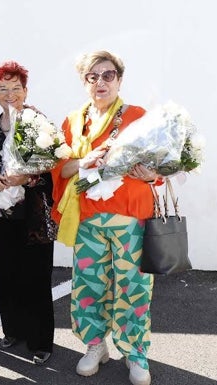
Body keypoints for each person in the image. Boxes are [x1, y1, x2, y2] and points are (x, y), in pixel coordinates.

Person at [51, 50, 159, 385]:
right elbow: (61, 169)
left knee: (133, 287)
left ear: (119, 79)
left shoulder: (138, 116)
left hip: (131, 217)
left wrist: (149, 173)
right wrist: (84, 161)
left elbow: (159, 168)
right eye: (92, 76)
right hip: (89, 220)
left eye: (108, 75)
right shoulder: (72, 122)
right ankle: (95, 344)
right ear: (84, 82)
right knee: (89, 284)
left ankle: (135, 352)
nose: (101, 82)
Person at [0, 61, 57, 365]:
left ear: (25, 91)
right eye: (4, 89)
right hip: (3, 213)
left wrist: (26, 177)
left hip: (34, 214)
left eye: (16, 88)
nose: (10, 94)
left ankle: (40, 340)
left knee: (36, 276)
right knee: (8, 273)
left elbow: (52, 165)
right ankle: (13, 330)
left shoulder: (37, 121)